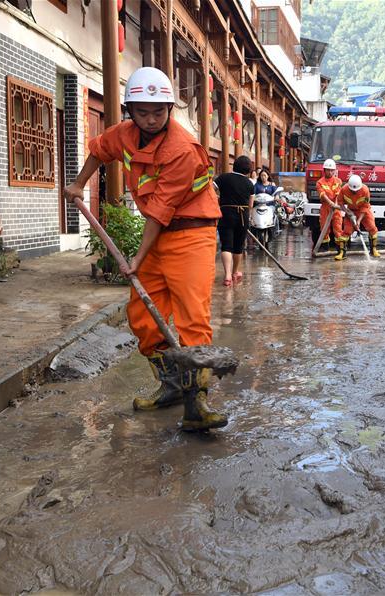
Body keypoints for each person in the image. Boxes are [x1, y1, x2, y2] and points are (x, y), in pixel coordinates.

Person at [62, 66, 227, 432]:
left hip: (191, 233)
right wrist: (77, 185)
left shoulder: (182, 148)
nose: (151, 119)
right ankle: (169, 386)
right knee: (143, 315)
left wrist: (137, 257)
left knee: (191, 316)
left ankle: (196, 403)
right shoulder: (123, 134)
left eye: (158, 111)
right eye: (142, 112)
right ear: (130, 111)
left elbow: (158, 210)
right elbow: (98, 150)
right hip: (158, 232)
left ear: (169, 109)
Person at [215, 155, 254, 287]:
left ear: (235, 165)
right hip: (243, 215)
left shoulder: (223, 178)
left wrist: (218, 198)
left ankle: (227, 277)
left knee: (226, 245)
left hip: (225, 213)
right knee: (238, 246)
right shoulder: (249, 183)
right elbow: (251, 204)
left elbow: (210, 188)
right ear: (248, 170)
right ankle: (235, 272)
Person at [336, 174, 381, 260]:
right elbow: (340, 203)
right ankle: (342, 253)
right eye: (352, 191)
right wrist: (348, 212)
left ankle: (373, 249)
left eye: (356, 190)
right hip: (351, 211)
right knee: (346, 231)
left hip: (364, 212)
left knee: (372, 228)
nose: (354, 192)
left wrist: (359, 221)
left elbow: (365, 206)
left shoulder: (365, 190)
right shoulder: (344, 190)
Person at [314, 158, 344, 253]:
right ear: (324, 170)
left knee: (338, 228)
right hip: (325, 208)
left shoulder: (338, 181)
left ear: (335, 171)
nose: (330, 172)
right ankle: (324, 249)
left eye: (332, 170)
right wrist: (330, 203)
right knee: (324, 228)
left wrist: (334, 204)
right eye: (328, 170)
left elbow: (338, 193)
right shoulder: (320, 182)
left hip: (336, 208)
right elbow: (322, 194)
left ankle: (341, 250)